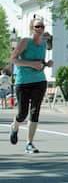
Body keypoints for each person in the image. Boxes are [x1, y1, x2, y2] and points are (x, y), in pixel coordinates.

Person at [9, 17, 53, 153]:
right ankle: (15, 127)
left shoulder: (44, 44)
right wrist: (31, 64)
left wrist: (46, 64)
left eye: (42, 27)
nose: (40, 29)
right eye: (37, 27)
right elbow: (13, 59)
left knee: (35, 112)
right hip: (23, 81)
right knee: (22, 113)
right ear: (32, 28)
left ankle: (29, 143)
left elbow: (40, 62)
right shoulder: (25, 42)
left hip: (39, 81)